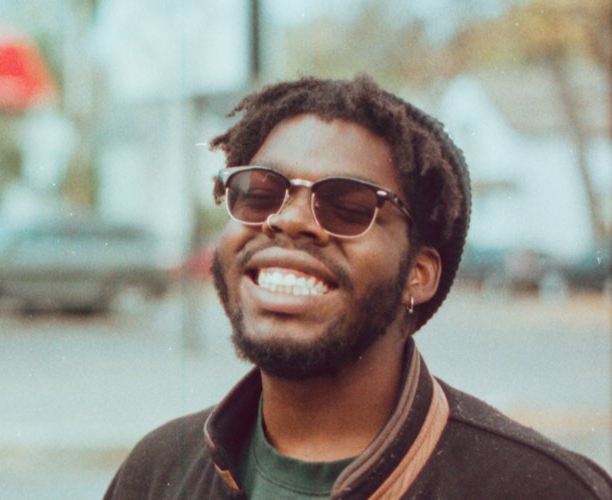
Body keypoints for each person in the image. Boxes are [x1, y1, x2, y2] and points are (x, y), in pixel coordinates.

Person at [104, 75, 612, 499]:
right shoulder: (156, 473)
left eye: (347, 206)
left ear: (419, 273)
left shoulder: (542, 488)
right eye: (259, 193)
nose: (290, 220)